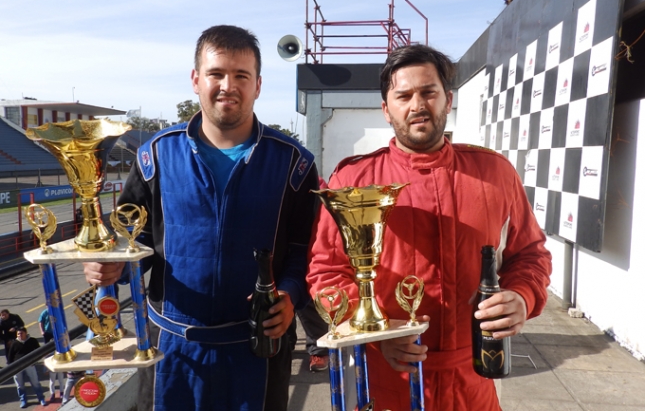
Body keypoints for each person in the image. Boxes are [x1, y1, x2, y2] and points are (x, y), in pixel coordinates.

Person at [83, 25, 319, 411]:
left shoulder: (294, 163)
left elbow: (305, 250)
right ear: (196, 80)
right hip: (172, 353)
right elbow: (133, 241)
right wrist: (108, 267)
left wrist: (291, 294)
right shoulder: (155, 157)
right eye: (216, 74)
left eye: (241, 75)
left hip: (258, 350)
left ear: (258, 85)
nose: (228, 86)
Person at [307, 44, 552, 410]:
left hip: (473, 382)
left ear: (448, 100)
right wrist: (376, 333)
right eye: (403, 96)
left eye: (428, 92)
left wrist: (522, 296)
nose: (417, 105)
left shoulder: (494, 174)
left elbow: (530, 254)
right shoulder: (353, 180)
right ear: (386, 109)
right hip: (387, 382)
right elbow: (326, 273)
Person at [7, 327, 47, 408]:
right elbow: (10, 357)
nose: (20, 335)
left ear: (26, 333)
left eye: (21, 333)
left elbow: (39, 352)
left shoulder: (32, 340)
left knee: (35, 382)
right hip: (17, 367)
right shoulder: (14, 343)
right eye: (18, 334)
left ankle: (41, 398)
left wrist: (35, 361)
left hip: (30, 365)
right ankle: (23, 400)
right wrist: (11, 368)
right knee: (20, 385)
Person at [39, 308, 65, 400]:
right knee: (52, 380)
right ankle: (53, 394)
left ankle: (62, 392)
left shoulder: (60, 348)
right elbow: (46, 357)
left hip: (60, 365)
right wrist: (45, 368)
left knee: (61, 380)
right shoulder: (49, 350)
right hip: (53, 366)